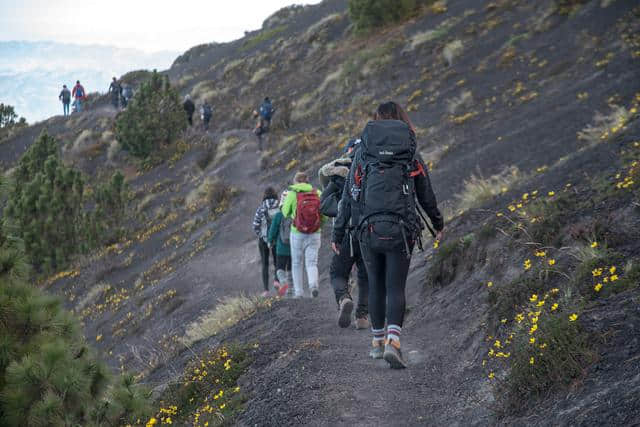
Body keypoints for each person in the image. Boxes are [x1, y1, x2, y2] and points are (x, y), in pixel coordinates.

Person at [333, 101, 444, 369]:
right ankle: (394, 342)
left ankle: (376, 342)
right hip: (401, 228)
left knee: (375, 284)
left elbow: (348, 197)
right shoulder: (409, 152)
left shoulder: (363, 151)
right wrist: (437, 223)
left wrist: (338, 233)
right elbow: (426, 192)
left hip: (367, 230)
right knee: (395, 286)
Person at [320, 138, 369, 329]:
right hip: (368, 231)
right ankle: (363, 316)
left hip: (347, 232)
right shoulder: (373, 169)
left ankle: (343, 298)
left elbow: (323, 204)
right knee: (365, 275)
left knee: (337, 272)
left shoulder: (339, 174)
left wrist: (336, 234)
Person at [282, 171, 324, 298]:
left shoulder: (292, 194)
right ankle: (313, 286)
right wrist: (319, 224)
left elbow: (285, 212)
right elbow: (324, 213)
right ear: (307, 181)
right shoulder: (317, 193)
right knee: (312, 262)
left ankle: (299, 292)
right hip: (315, 232)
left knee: (296, 262)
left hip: (297, 232)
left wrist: (292, 214)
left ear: (296, 181)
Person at [253, 187, 280, 297]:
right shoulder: (279, 205)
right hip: (276, 239)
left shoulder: (261, 208)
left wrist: (262, 236)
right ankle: (277, 281)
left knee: (265, 264)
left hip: (263, 240)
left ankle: (266, 290)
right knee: (277, 261)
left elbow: (255, 225)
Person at [268, 190, 293, 297]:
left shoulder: (278, 215)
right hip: (293, 247)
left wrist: (270, 240)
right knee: (291, 268)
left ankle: (283, 283)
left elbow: (273, 230)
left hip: (281, 248)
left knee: (280, 268)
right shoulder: (295, 214)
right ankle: (291, 289)